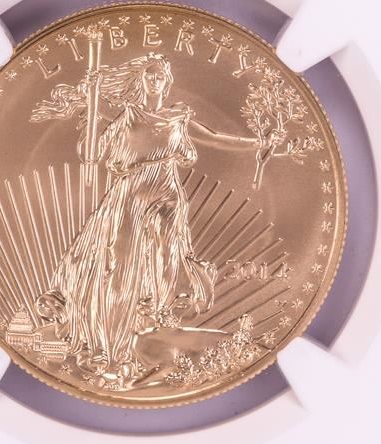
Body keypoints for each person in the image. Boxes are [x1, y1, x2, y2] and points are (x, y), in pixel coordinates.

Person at [32, 53, 255, 385]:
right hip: (131, 195)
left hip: (167, 192)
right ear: (141, 80)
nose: (154, 80)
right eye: (149, 75)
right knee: (119, 266)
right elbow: (92, 151)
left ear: (167, 81)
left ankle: (156, 318)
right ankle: (110, 345)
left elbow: (216, 138)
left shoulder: (178, 118)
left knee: (167, 259)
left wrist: (259, 143)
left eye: (159, 76)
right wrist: (91, 98)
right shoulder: (128, 114)